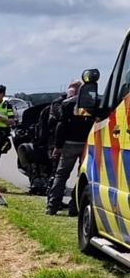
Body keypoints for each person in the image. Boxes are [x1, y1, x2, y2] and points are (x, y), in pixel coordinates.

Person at [46, 80, 93, 215]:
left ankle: (52, 206)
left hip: (69, 143)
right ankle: (74, 207)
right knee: (81, 176)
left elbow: (61, 126)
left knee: (61, 175)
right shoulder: (92, 103)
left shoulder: (67, 104)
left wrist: (58, 146)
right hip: (86, 143)